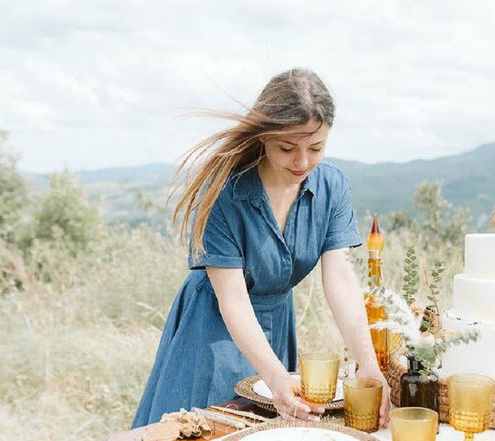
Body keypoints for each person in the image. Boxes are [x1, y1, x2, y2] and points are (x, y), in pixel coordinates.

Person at [132, 68, 390, 428]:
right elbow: (233, 300)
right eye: (287, 148)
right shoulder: (223, 193)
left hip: (276, 322)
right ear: (264, 136)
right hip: (213, 326)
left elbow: (340, 280)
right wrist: (276, 377)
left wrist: (369, 365)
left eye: (315, 148)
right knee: (208, 427)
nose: (302, 163)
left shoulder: (332, 187)